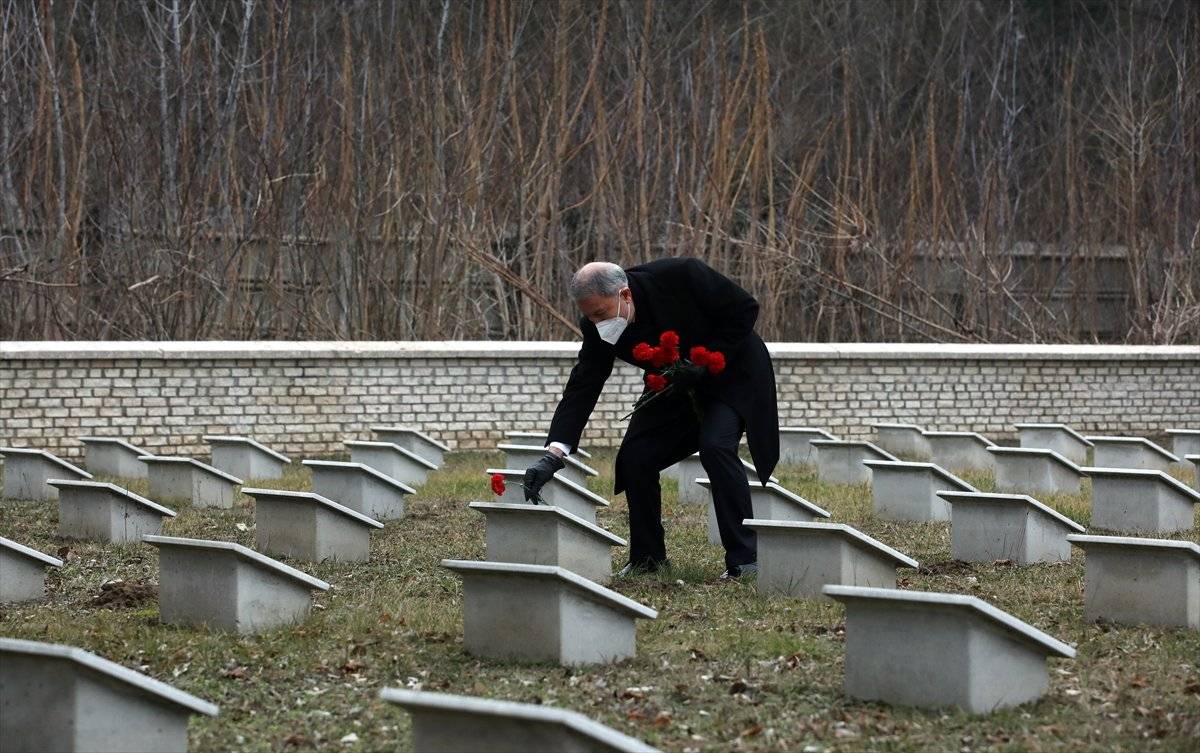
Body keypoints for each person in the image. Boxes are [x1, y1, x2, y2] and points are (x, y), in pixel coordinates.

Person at [522, 258, 779, 579]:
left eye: (600, 313)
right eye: (589, 316)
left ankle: (745, 559)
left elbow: (744, 309)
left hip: (731, 372)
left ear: (625, 295)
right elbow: (585, 383)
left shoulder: (681, 275)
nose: (596, 323)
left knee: (715, 446)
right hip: (674, 383)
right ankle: (648, 558)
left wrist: (706, 360)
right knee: (635, 457)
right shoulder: (599, 325)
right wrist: (554, 453)